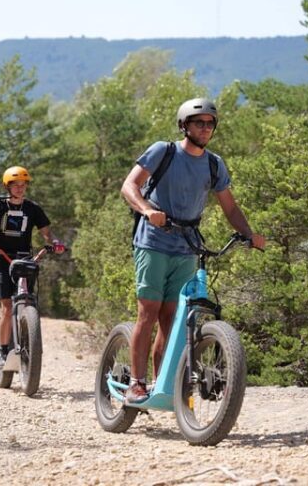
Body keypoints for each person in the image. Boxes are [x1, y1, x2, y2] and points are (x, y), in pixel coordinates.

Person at [120, 98, 265, 403]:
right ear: (184, 126)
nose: (205, 128)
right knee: (148, 311)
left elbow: (230, 207)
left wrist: (249, 234)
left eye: (210, 123)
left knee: (171, 318)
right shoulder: (164, 151)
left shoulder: (214, 164)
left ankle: (161, 385)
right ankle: (136, 382)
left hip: (187, 245)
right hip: (153, 241)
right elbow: (129, 186)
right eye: (199, 123)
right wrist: (147, 210)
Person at [0, 166, 66, 367]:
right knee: (6, 306)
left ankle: (28, 337)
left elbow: (47, 233)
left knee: (29, 301)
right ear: (8, 186)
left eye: (23, 185)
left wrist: (55, 243)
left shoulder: (32, 208)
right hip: (2, 258)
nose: (20, 188)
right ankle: (2, 350)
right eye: (16, 185)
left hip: (25, 259)